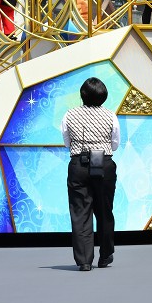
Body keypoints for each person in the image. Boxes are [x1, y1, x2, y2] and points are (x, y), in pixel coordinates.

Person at [61, 77, 119, 271]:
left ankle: (84, 261)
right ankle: (105, 256)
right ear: (103, 96)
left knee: (80, 212)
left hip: (78, 163)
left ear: (82, 95)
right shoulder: (111, 116)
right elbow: (115, 144)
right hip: (103, 162)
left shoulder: (69, 115)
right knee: (104, 210)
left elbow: (67, 142)